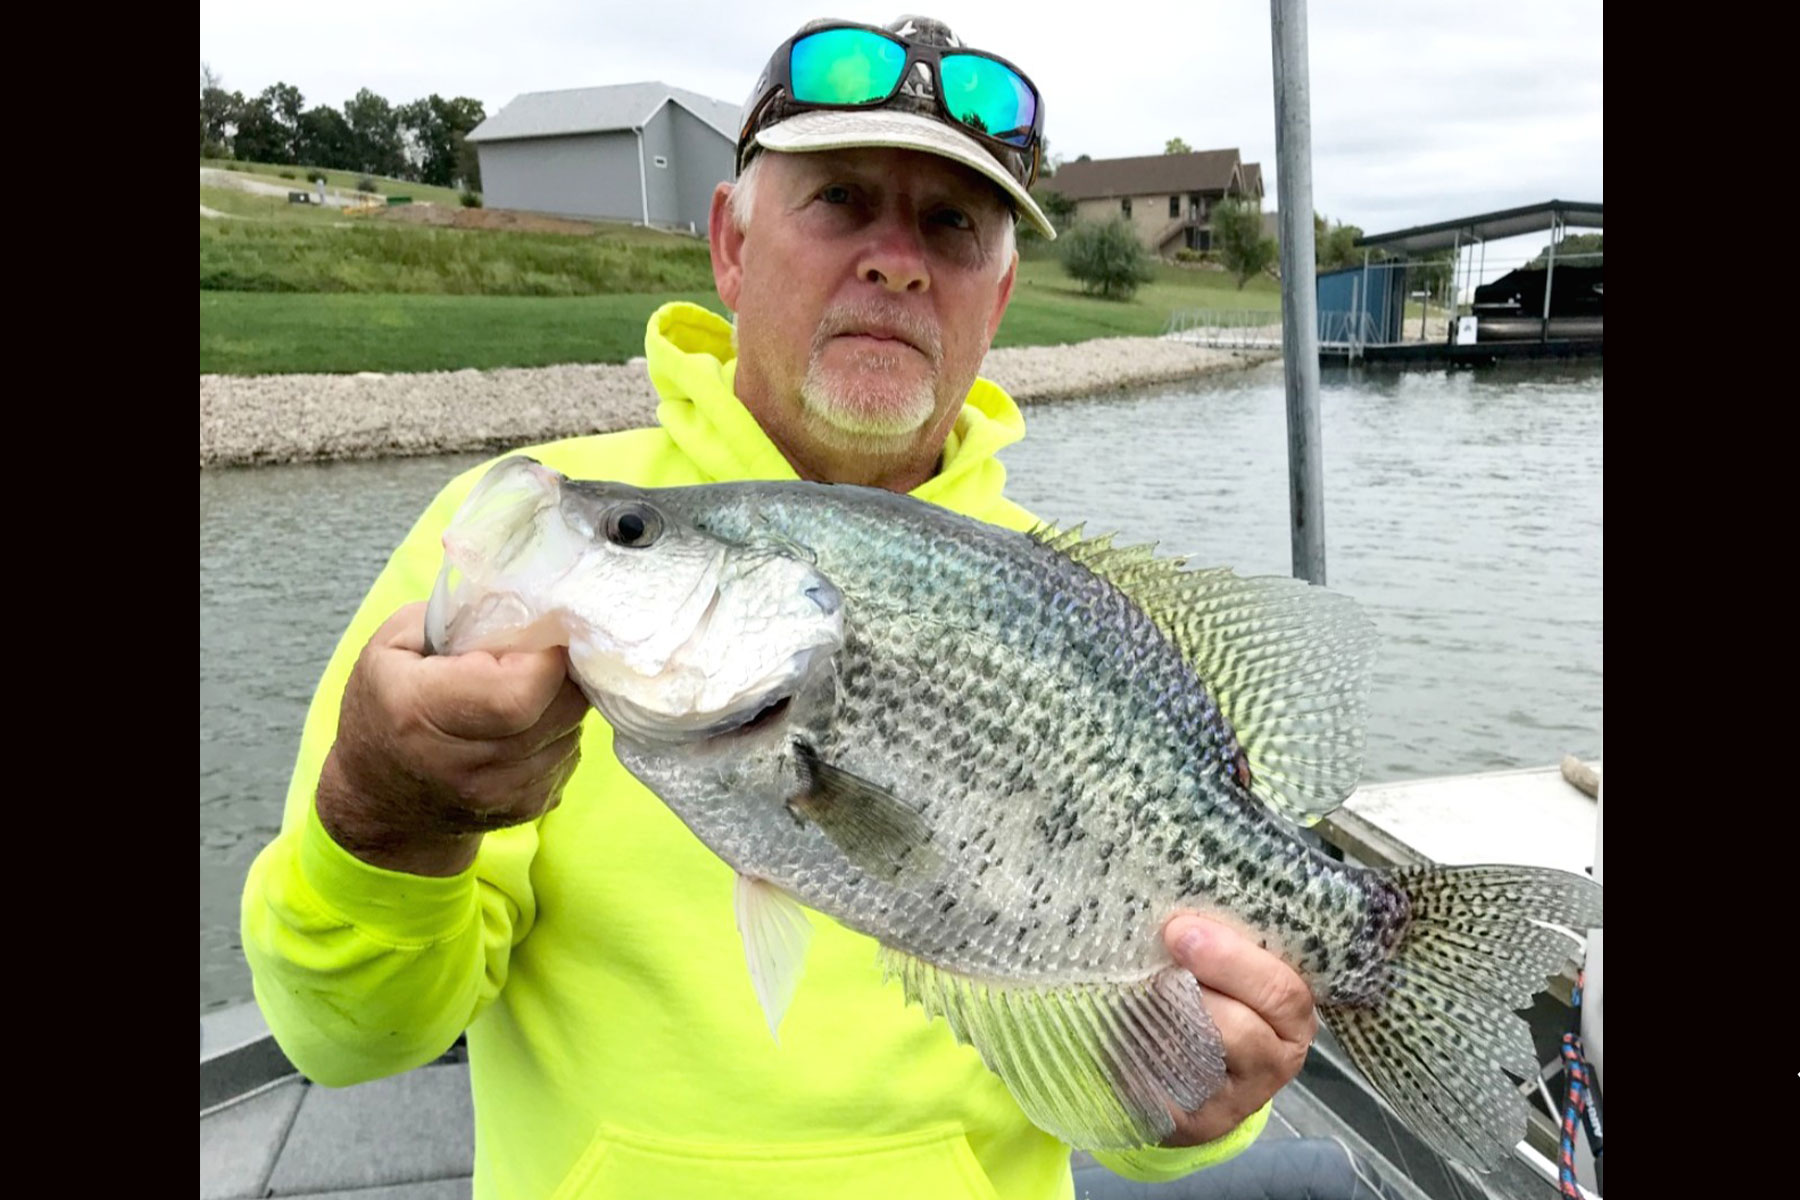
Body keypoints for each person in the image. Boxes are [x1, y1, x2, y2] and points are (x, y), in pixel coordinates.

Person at [242, 15, 1316, 1199]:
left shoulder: (1097, 626)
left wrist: (1192, 1105)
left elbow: (1142, 1114)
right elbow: (344, 1043)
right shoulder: (528, 556)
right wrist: (385, 821)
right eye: (843, 199)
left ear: (997, 297)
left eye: (950, 224)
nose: (897, 260)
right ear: (731, 246)